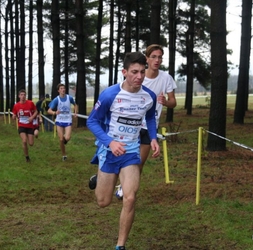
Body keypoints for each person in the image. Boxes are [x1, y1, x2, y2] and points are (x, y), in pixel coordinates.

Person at [87, 52, 160, 250]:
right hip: (110, 150)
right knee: (103, 202)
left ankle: (120, 246)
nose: (139, 76)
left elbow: (151, 117)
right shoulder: (110, 94)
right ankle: (99, 177)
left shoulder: (149, 96)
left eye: (142, 72)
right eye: (134, 72)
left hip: (131, 151)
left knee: (130, 197)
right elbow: (91, 121)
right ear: (124, 72)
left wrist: (153, 137)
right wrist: (110, 143)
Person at [114, 44, 178, 199]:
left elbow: (173, 102)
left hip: (149, 126)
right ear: (147, 58)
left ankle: (126, 189)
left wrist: (165, 101)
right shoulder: (139, 76)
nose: (157, 60)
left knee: (139, 162)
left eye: (160, 57)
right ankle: (108, 179)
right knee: (120, 159)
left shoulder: (166, 78)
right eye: (154, 57)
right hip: (130, 125)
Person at [47, 84, 78, 161]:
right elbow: (49, 110)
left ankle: (65, 139)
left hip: (67, 120)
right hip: (59, 120)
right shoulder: (56, 99)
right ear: (58, 91)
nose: (63, 90)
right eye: (61, 88)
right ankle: (64, 155)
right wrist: (54, 113)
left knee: (67, 138)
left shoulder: (69, 98)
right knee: (61, 139)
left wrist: (75, 112)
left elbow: (75, 105)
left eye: (64, 88)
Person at [12, 89, 38, 162]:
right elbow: (14, 114)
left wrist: (32, 117)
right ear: (19, 96)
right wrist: (13, 117)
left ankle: (32, 135)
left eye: (24, 95)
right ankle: (27, 157)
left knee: (31, 144)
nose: (23, 96)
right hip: (21, 126)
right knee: (24, 141)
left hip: (29, 126)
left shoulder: (30, 103)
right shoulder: (16, 105)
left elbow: (36, 111)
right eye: (21, 95)